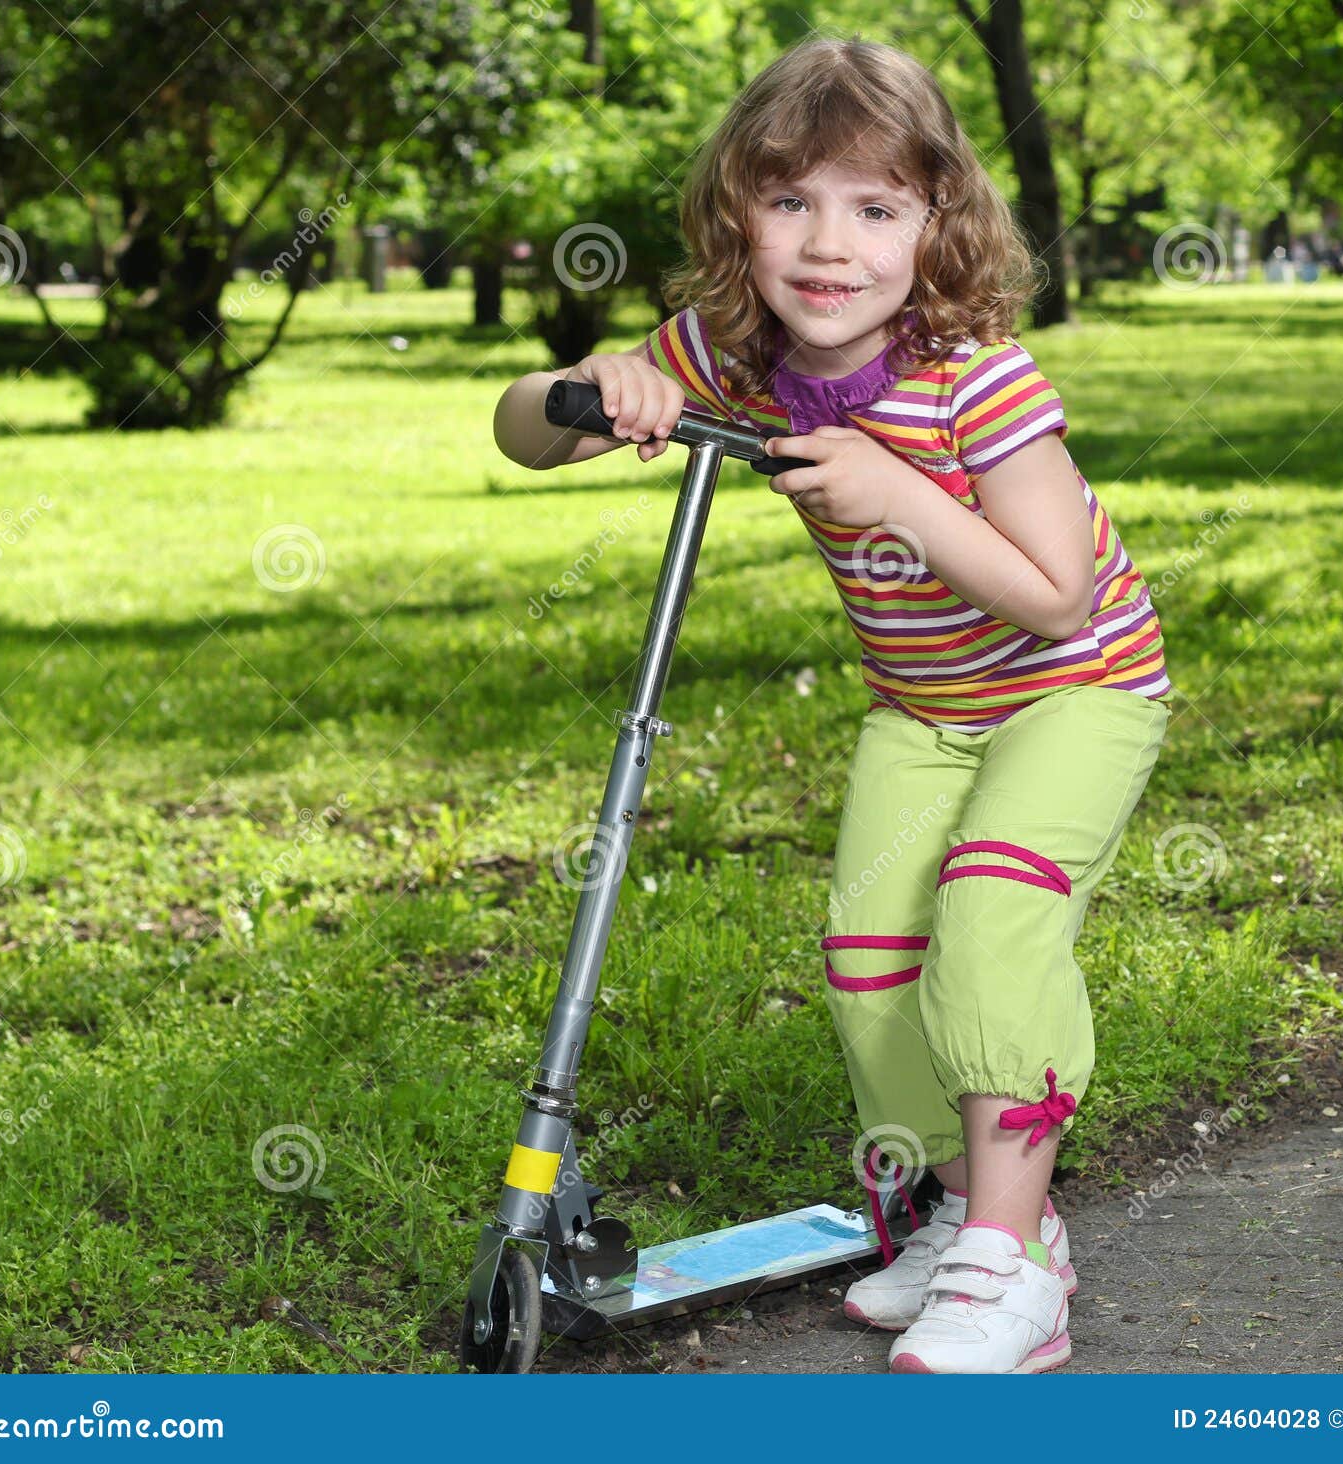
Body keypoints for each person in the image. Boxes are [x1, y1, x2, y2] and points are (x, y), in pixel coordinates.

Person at [491, 34, 1174, 1376]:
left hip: (1077, 689)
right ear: (736, 213)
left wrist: (901, 494)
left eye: (874, 208)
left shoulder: (980, 376)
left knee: (989, 924)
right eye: (789, 200)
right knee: (869, 958)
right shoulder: (733, 351)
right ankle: (948, 1213)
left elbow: (1058, 597)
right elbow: (524, 429)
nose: (827, 244)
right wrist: (597, 384)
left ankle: (1017, 1259)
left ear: (936, 225)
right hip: (922, 703)